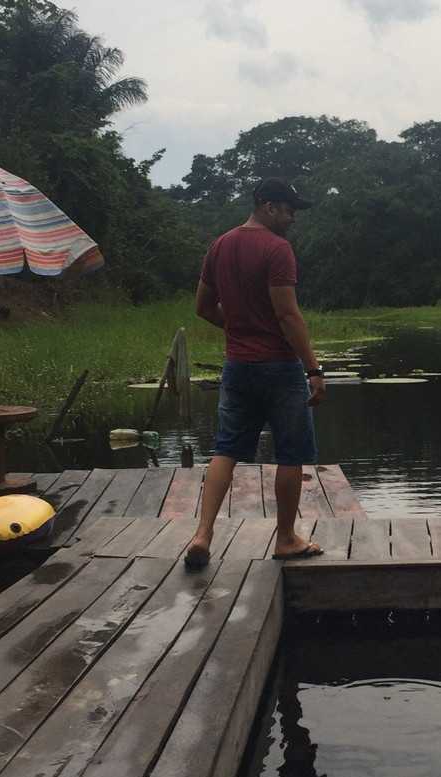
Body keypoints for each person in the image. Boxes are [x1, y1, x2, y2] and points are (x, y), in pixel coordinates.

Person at [184, 177, 326, 570]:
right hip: (279, 367)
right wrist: (313, 368)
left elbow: (203, 307)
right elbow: (286, 314)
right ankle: (285, 539)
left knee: (226, 450)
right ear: (269, 207)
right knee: (291, 453)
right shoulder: (277, 249)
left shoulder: (220, 245)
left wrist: (239, 328)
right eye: (289, 210)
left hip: (237, 367)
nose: (293, 218)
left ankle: (202, 535)